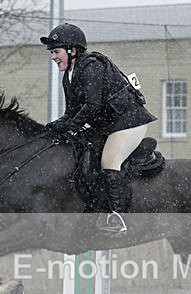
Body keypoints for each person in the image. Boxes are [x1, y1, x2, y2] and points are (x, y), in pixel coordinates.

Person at [41, 23, 157, 236]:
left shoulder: (91, 65)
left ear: (72, 50)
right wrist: (54, 127)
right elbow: (72, 112)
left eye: (56, 52)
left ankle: (118, 219)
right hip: (108, 125)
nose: (53, 57)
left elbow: (92, 106)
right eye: (52, 53)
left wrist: (69, 125)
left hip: (129, 121)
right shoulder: (69, 75)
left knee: (109, 161)